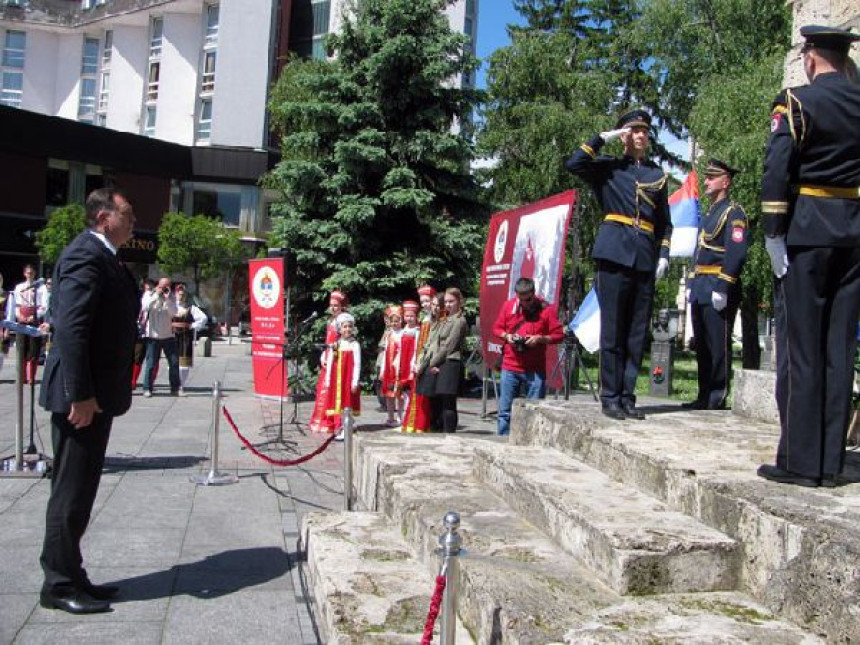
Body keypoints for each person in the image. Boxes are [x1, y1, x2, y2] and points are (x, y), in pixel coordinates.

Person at [757, 25, 860, 488]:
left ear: (811, 56)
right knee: (840, 348)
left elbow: (778, 167)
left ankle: (801, 462)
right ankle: (831, 462)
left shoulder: (796, 101)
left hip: (807, 232)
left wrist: (774, 231)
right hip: (855, 234)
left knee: (802, 350)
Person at [39, 187, 139, 614]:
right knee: (71, 490)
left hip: (95, 394)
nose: (133, 221)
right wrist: (79, 394)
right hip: (82, 396)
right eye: (127, 214)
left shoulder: (104, 255)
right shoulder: (85, 255)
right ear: (104, 217)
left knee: (82, 488)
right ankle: (58, 584)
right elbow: (71, 329)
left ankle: (72, 572)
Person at [565, 109, 673, 420]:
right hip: (614, 253)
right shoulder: (609, 168)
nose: (641, 135)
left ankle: (627, 396)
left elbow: (665, 223)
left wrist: (663, 253)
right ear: (624, 136)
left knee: (637, 332)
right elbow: (575, 163)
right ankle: (610, 396)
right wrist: (602, 139)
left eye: (644, 130)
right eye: (634, 130)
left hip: (644, 257)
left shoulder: (657, 175)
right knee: (613, 329)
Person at [684, 159, 749, 410]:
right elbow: (699, 250)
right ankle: (704, 394)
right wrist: (691, 280)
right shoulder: (710, 212)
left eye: (712, 177)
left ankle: (717, 395)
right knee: (702, 344)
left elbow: (736, 252)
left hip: (718, 285)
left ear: (726, 181)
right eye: (707, 177)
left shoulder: (734, 213)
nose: (707, 181)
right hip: (701, 284)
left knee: (717, 343)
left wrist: (724, 286)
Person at [492, 277, 564, 436]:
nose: (525, 304)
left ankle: (529, 443)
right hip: (510, 367)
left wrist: (540, 339)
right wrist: (507, 336)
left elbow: (559, 335)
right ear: (516, 296)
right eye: (521, 300)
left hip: (535, 370)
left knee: (534, 412)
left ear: (534, 293)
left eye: (529, 299)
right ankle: (503, 442)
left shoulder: (546, 309)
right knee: (505, 412)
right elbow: (496, 329)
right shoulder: (509, 306)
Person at [416, 288, 468, 433]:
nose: (448, 304)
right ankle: (437, 430)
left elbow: (448, 346)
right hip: (440, 362)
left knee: (448, 403)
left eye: (452, 301)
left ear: (459, 302)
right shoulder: (445, 319)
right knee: (435, 400)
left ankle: (449, 433)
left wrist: (433, 363)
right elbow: (434, 342)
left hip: (451, 362)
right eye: (446, 302)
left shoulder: (459, 321)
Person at [309, 290, 347, 433]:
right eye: (331, 305)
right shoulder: (331, 320)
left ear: (342, 306)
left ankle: (331, 421)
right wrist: (324, 355)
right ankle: (320, 419)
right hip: (328, 356)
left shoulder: (343, 321)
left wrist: (332, 356)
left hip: (337, 358)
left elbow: (341, 343)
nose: (333, 308)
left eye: (336, 305)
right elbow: (327, 341)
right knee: (323, 389)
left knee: (332, 390)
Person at [401, 286, 437, 433]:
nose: (424, 304)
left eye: (427, 301)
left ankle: (422, 423)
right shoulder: (424, 319)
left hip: (428, 359)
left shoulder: (435, 319)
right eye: (422, 302)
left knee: (424, 394)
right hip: (420, 357)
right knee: (417, 390)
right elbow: (419, 342)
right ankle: (414, 422)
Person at [322, 312, 361, 436]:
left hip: (348, 380)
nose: (347, 329)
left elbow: (357, 364)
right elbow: (330, 361)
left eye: (350, 326)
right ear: (339, 329)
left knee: (347, 403)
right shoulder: (336, 344)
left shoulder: (354, 344)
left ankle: (346, 428)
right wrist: (328, 379)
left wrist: (355, 381)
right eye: (345, 326)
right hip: (337, 380)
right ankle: (345, 425)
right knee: (339, 403)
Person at [140, 277, 180, 397]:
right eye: (163, 286)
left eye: (168, 286)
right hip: (153, 336)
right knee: (151, 363)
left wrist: (168, 300)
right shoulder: (149, 294)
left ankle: (174, 388)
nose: (165, 289)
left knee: (174, 363)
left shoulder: (171, 296)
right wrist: (157, 295)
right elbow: (146, 307)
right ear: (158, 285)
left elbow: (174, 313)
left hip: (168, 336)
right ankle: (147, 388)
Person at [14, 263, 48, 384]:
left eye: (32, 273)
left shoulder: (41, 288)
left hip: (34, 318)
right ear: (24, 274)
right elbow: (16, 304)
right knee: (22, 347)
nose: (30, 275)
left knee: (34, 348)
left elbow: (44, 306)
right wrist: (19, 315)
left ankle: (31, 377)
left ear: (35, 274)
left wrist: (35, 316)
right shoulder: (19, 287)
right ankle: (22, 376)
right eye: (28, 273)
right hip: (22, 318)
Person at [172, 282, 208, 395]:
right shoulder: (171, 306)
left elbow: (203, 318)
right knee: (172, 363)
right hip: (172, 337)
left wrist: (192, 326)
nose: (181, 296)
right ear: (175, 294)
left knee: (184, 364)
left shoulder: (190, 308)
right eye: (179, 294)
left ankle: (181, 385)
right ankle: (173, 385)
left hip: (185, 338)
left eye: (183, 294)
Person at [379, 304, 404, 426]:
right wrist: (382, 370)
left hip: (399, 368)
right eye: (392, 321)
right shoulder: (388, 334)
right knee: (389, 394)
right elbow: (385, 353)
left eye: (397, 320)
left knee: (399, 394)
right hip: (389, 369)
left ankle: (400, 417)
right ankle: (390, 417)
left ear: (401, 320)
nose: (394, 323)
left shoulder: (403, 334)